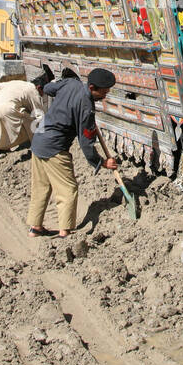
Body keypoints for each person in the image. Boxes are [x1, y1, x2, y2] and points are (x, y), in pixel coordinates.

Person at [27, 68, 118, 238]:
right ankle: (65, 233)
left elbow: (47, 89)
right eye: (103, 92)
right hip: (54, 147)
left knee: (41, 187)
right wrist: (102, 163)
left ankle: (35, 227)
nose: (105, 95)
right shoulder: (87, 108)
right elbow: (86, 144)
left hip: (39, 139)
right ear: (91, 87)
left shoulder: (70, 83)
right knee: (68, 189)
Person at [0, 66, 53, 176]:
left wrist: (0, 100)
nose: (42, 95)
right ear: (39, 88)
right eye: (42, 92)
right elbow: (39, 115)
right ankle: (37, 148)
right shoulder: (33, 91)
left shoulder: (17, 83)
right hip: (6, 110)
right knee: (32, 122)